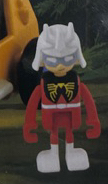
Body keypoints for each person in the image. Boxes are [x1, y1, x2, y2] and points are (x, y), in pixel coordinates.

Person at [23, 23, 101, 172]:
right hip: (51, 117)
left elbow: (89, 102)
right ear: (42, 59)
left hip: (71, 116)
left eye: (67, 59)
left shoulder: (76, 83)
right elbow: (32, 105)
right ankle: (53, 156)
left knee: (69, 134)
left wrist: (93, 121)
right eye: (52, 60)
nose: (60, 66)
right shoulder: (43, 85)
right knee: (54, 134)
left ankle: (71, 154)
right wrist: (29, 124)